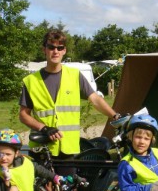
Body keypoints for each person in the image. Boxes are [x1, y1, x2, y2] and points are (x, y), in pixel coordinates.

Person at [19, 29, 121, 167]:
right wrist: (43, 128)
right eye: (51, 47)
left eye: (60, 47)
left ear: (64, 51)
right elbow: (23, 115)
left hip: (68, 147)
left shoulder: (75, 76)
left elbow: (95, 99)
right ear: (44, 49)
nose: (55, 51)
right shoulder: (31, 81)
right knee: (44, 189)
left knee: (68, 187)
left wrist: (115, 116)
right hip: (41, 147)